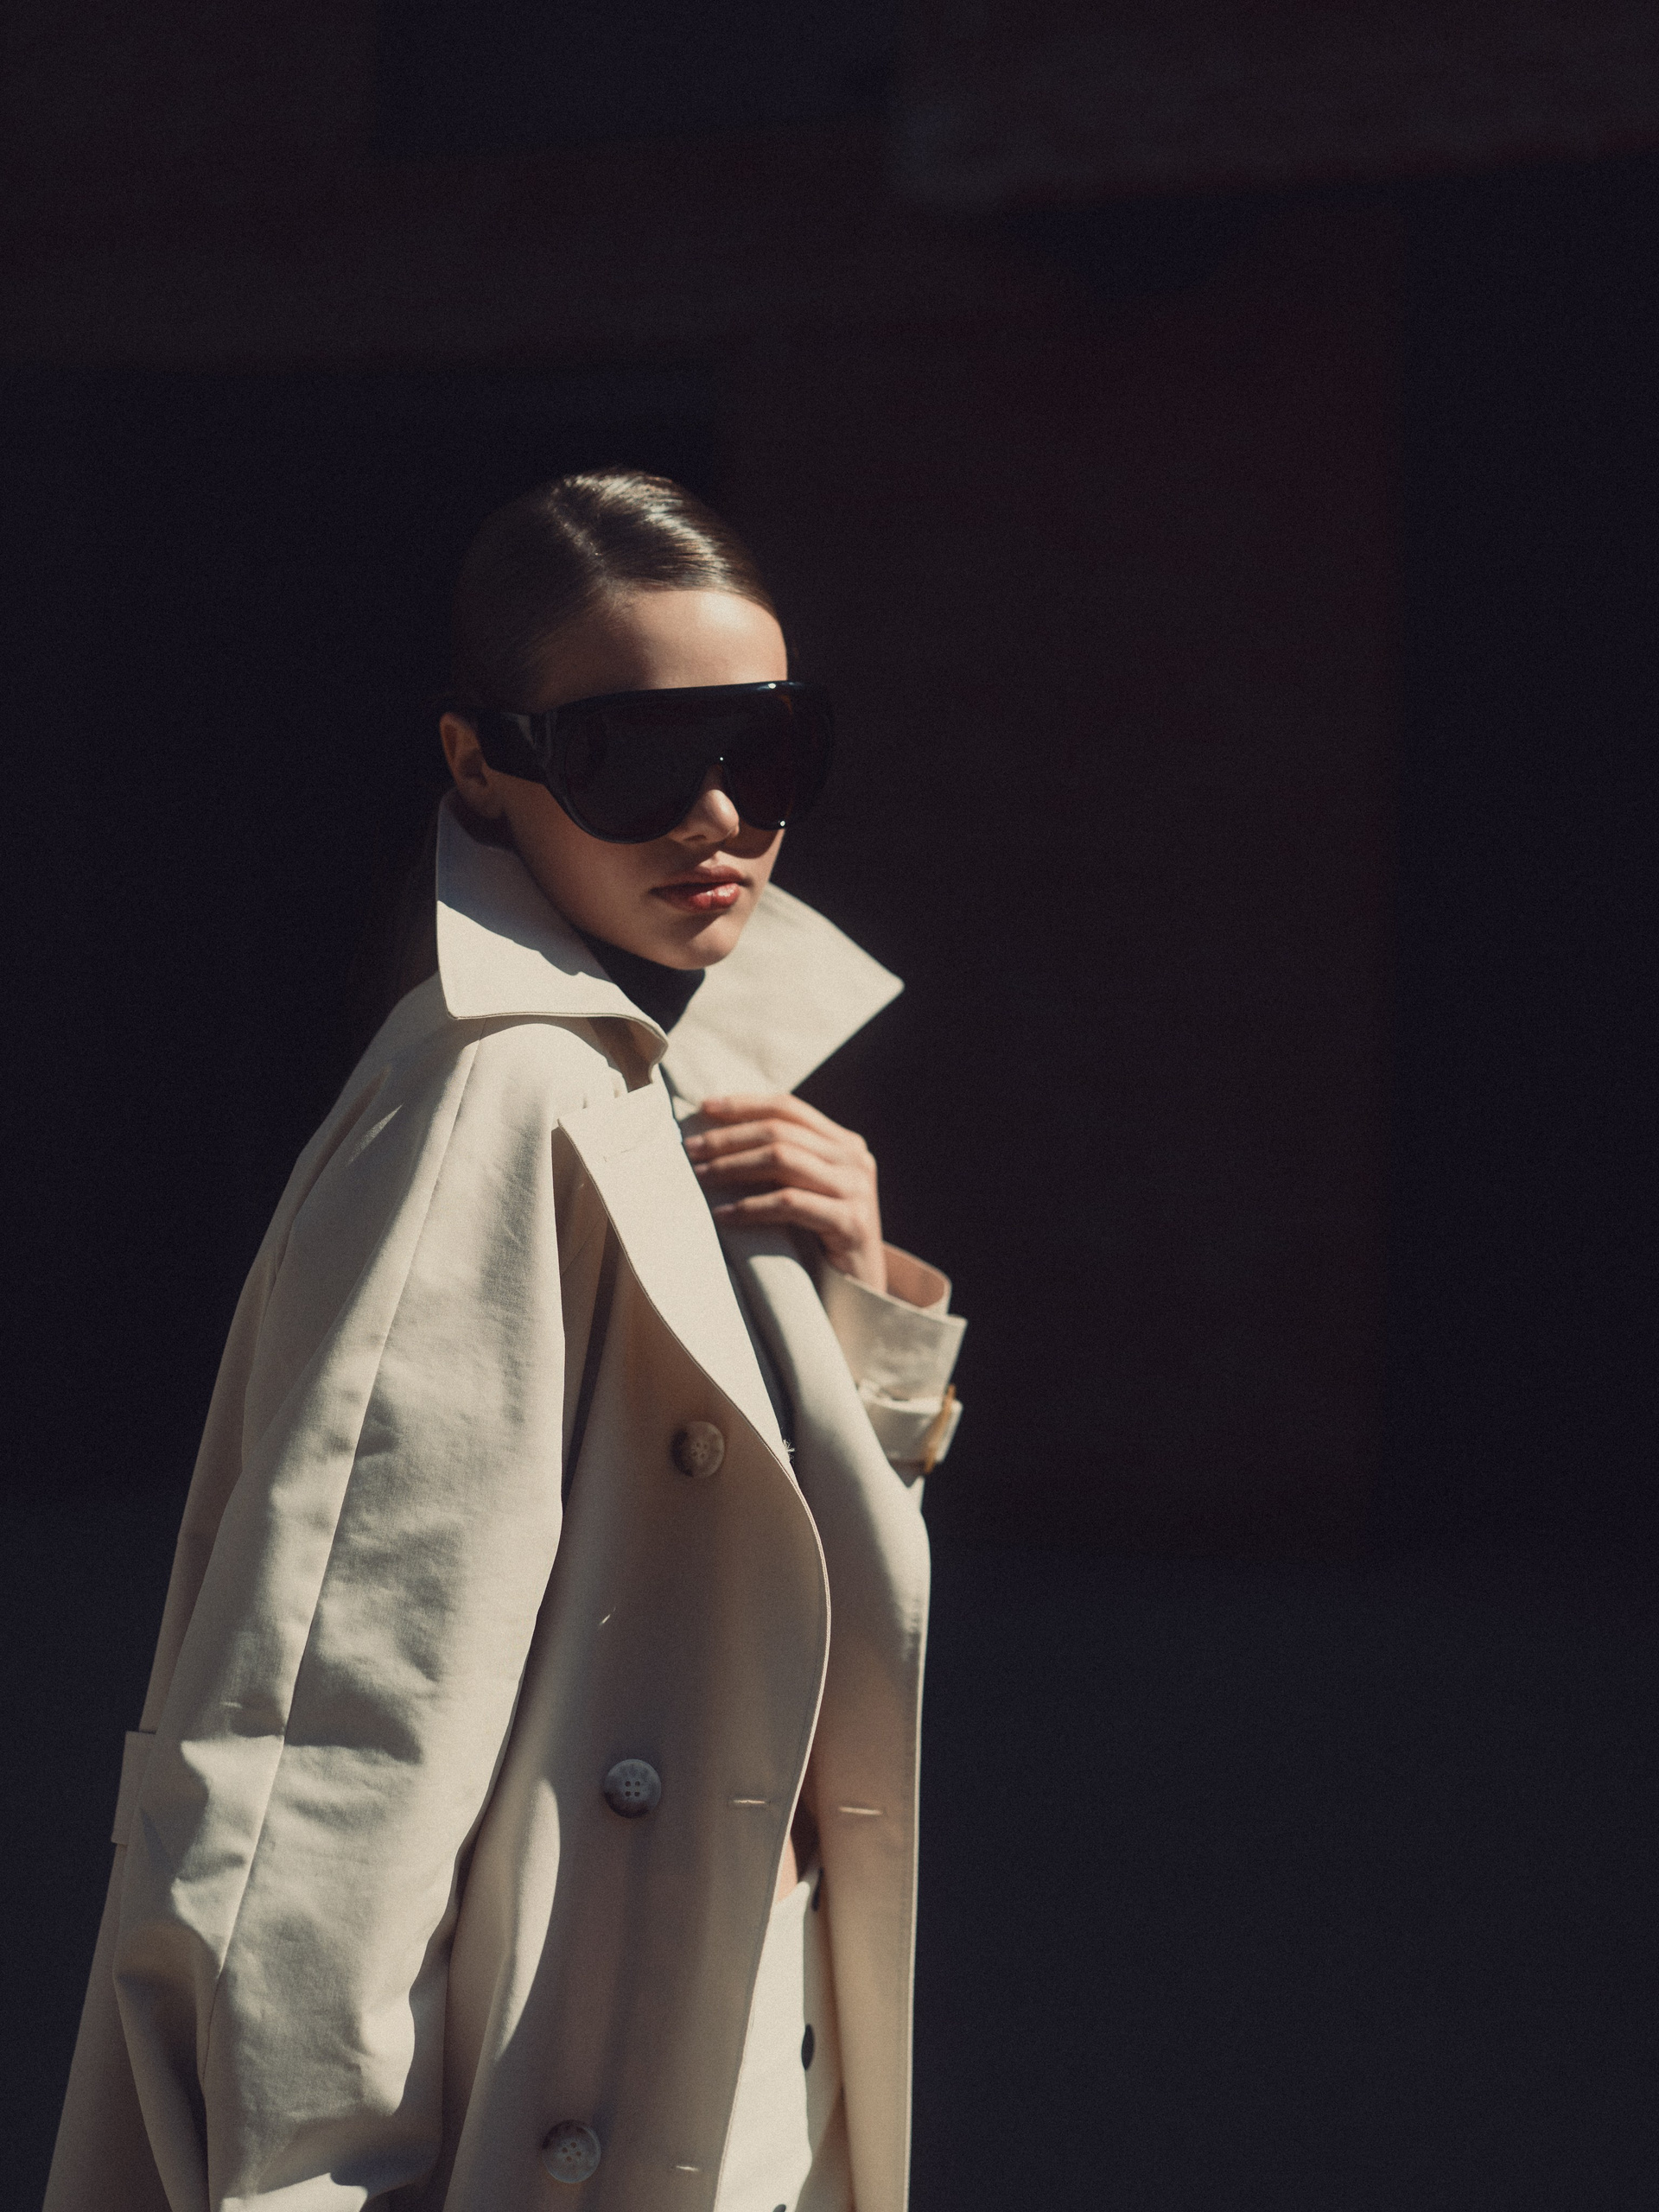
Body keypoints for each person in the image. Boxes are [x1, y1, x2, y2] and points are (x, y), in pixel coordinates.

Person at [46, 469, 966, 2212]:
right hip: (573, 2098)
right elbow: (328, 1745)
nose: (718, 814)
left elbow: (770, 1596)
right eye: (635, 754)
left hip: (727, 2047)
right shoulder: (500, 1097)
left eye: (764, 750)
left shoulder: (688, 1081)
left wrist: (856, 1296)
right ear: (482, 763)